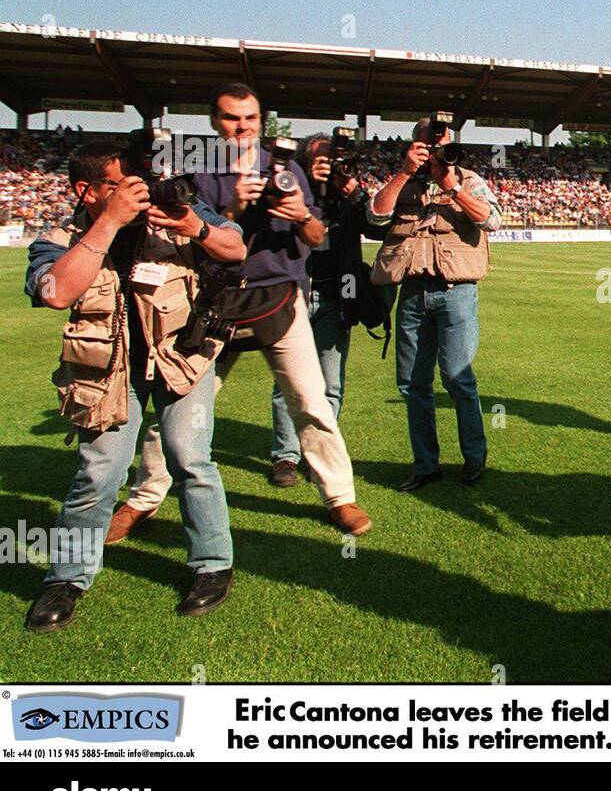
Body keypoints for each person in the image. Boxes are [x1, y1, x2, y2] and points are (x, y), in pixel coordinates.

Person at [107, 83, 372, 541]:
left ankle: (340, 497)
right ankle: (143, 497)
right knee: (176, 405)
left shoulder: (286, 168)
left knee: (311, 401)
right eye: (232, 118)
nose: (242, 127)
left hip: (279, 299)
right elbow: (194, 235)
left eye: (250, 118)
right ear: (215, 122)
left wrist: (299, 214)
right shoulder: (201, 171)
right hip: (216, 301)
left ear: (261, 120)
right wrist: (232, 208)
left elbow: (315, 237)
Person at [24, 139, 247, 631]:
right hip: (107, 371)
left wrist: (196, 226)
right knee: (98, 473)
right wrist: (109, 223)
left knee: (191, 459)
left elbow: (236, 247)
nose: (138, 193)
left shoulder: (172, 211)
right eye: (121, 184)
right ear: (87, 191)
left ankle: (213, 565)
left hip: (180, 356)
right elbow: (56, 291)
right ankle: (67, 577)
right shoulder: (62, 236)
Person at [368, 117, 503, 490]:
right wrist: (403, 172)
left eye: (443, 145)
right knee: (413, 384)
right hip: (411, 291)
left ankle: (474, 458)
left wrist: (453, 187)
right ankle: (426, 465)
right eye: (430, 145)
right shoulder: (402, 179)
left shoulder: (470, 179)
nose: (437, 151)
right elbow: (375, 214)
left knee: (458, 379)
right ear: (416, 145)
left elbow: (491, 219)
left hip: (456, 292)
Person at [267, 133, 386, 486]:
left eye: (330, 159)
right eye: (318, 159)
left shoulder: (345, 194)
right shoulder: (290, 189)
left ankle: (315, 453)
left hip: (337, 296)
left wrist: (355, 193)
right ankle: (285, 457)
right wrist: (304, 185)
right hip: (294, 295)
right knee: (286, 382)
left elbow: (377, 227)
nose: (326, 165)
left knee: (330, 384)